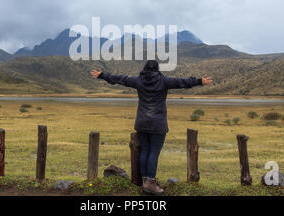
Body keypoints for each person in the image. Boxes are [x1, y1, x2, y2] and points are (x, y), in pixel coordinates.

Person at [90, 60, 212, 195]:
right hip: (158, 123)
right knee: (153, 153)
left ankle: (145, 181)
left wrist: (102, 75)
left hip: (142, 122)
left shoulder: (138, 81)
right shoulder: (164, 81)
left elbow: (120, 79)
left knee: (145, 151)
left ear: (145, 69)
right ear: (157, 69)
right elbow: (182, 82)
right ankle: (150, 183)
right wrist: (200, 81)